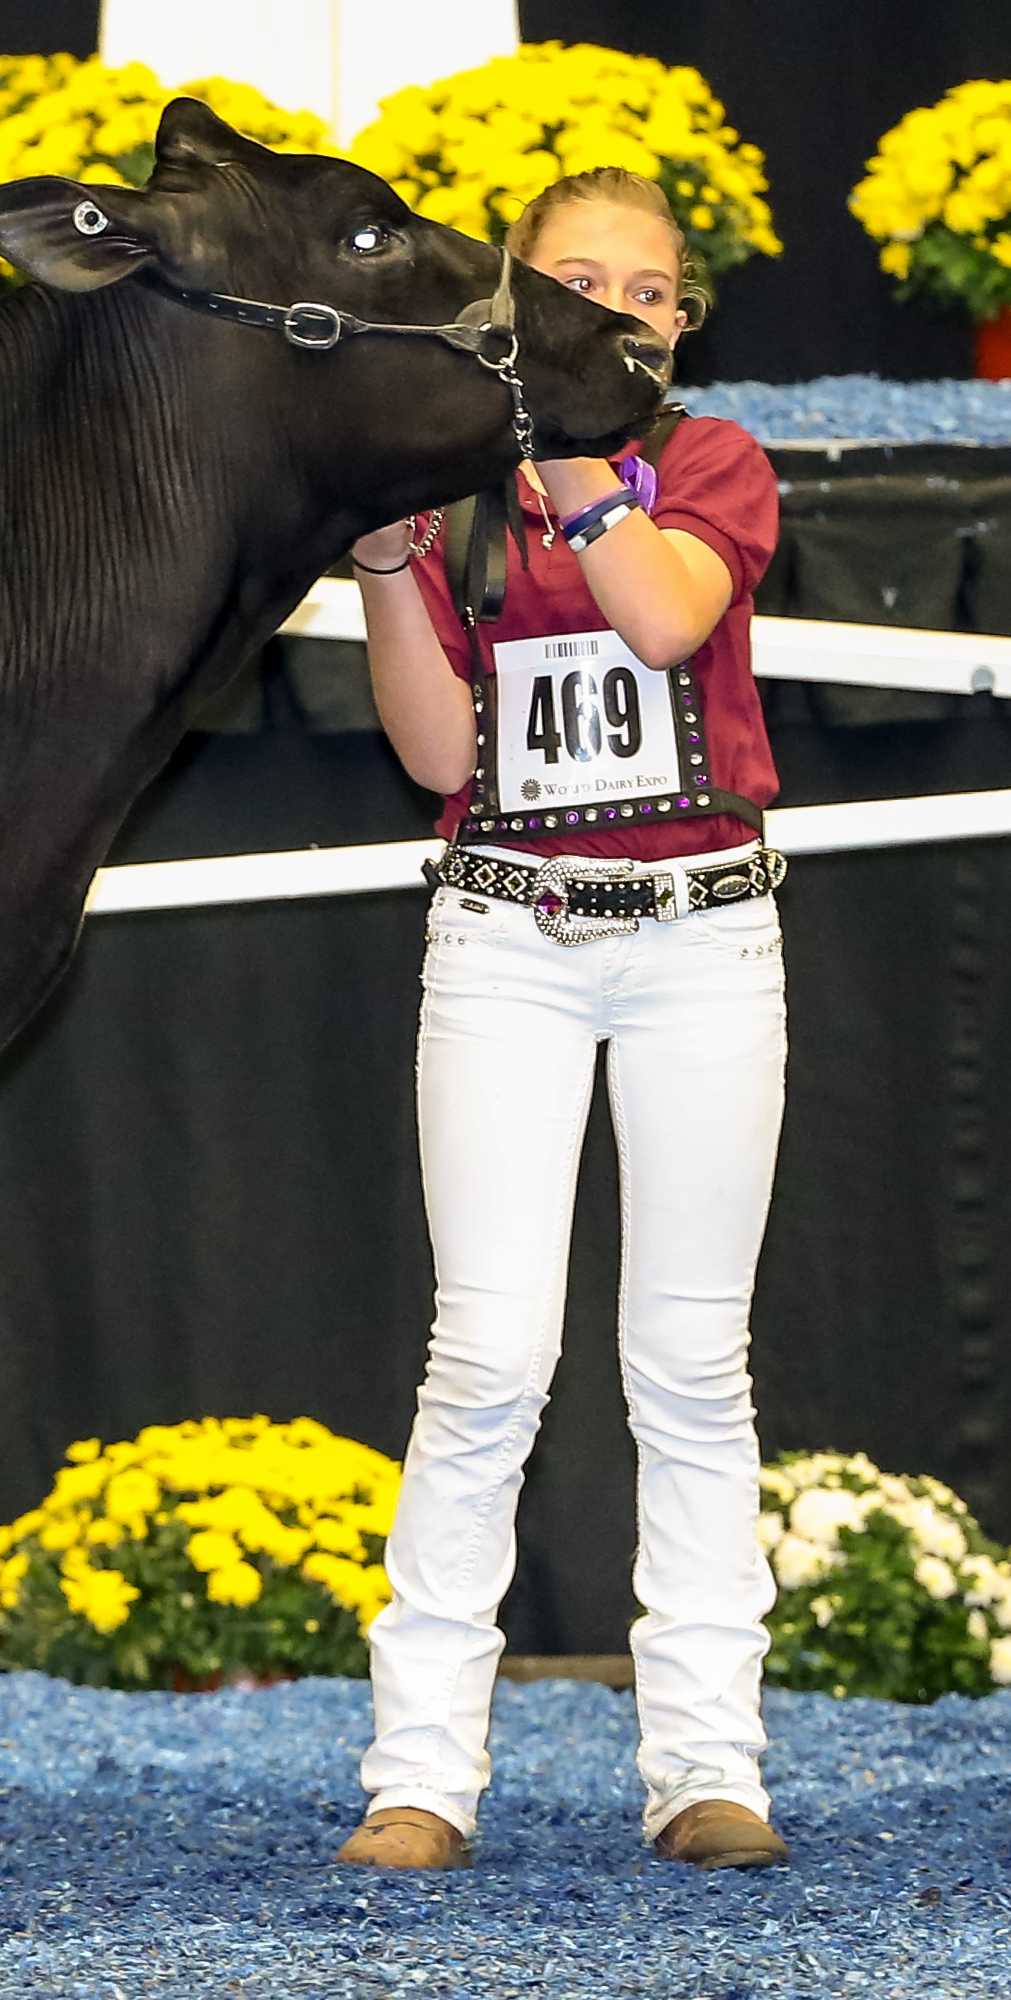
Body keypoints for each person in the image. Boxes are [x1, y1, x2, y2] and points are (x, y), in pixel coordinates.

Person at [338, 168, 790, 1873]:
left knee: (689, 1360)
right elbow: (436, 754)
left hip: (702, 937)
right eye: (576, 283)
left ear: (682, 321)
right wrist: (387, 567)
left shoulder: (713, 462)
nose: (616, 309)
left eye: (647, 290)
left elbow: (667, 617)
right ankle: (420, 1776)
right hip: (508, 933)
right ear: (516, 300)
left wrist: (584, 464)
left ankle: (708, 1766)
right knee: (486, 1355)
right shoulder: (460, 497)